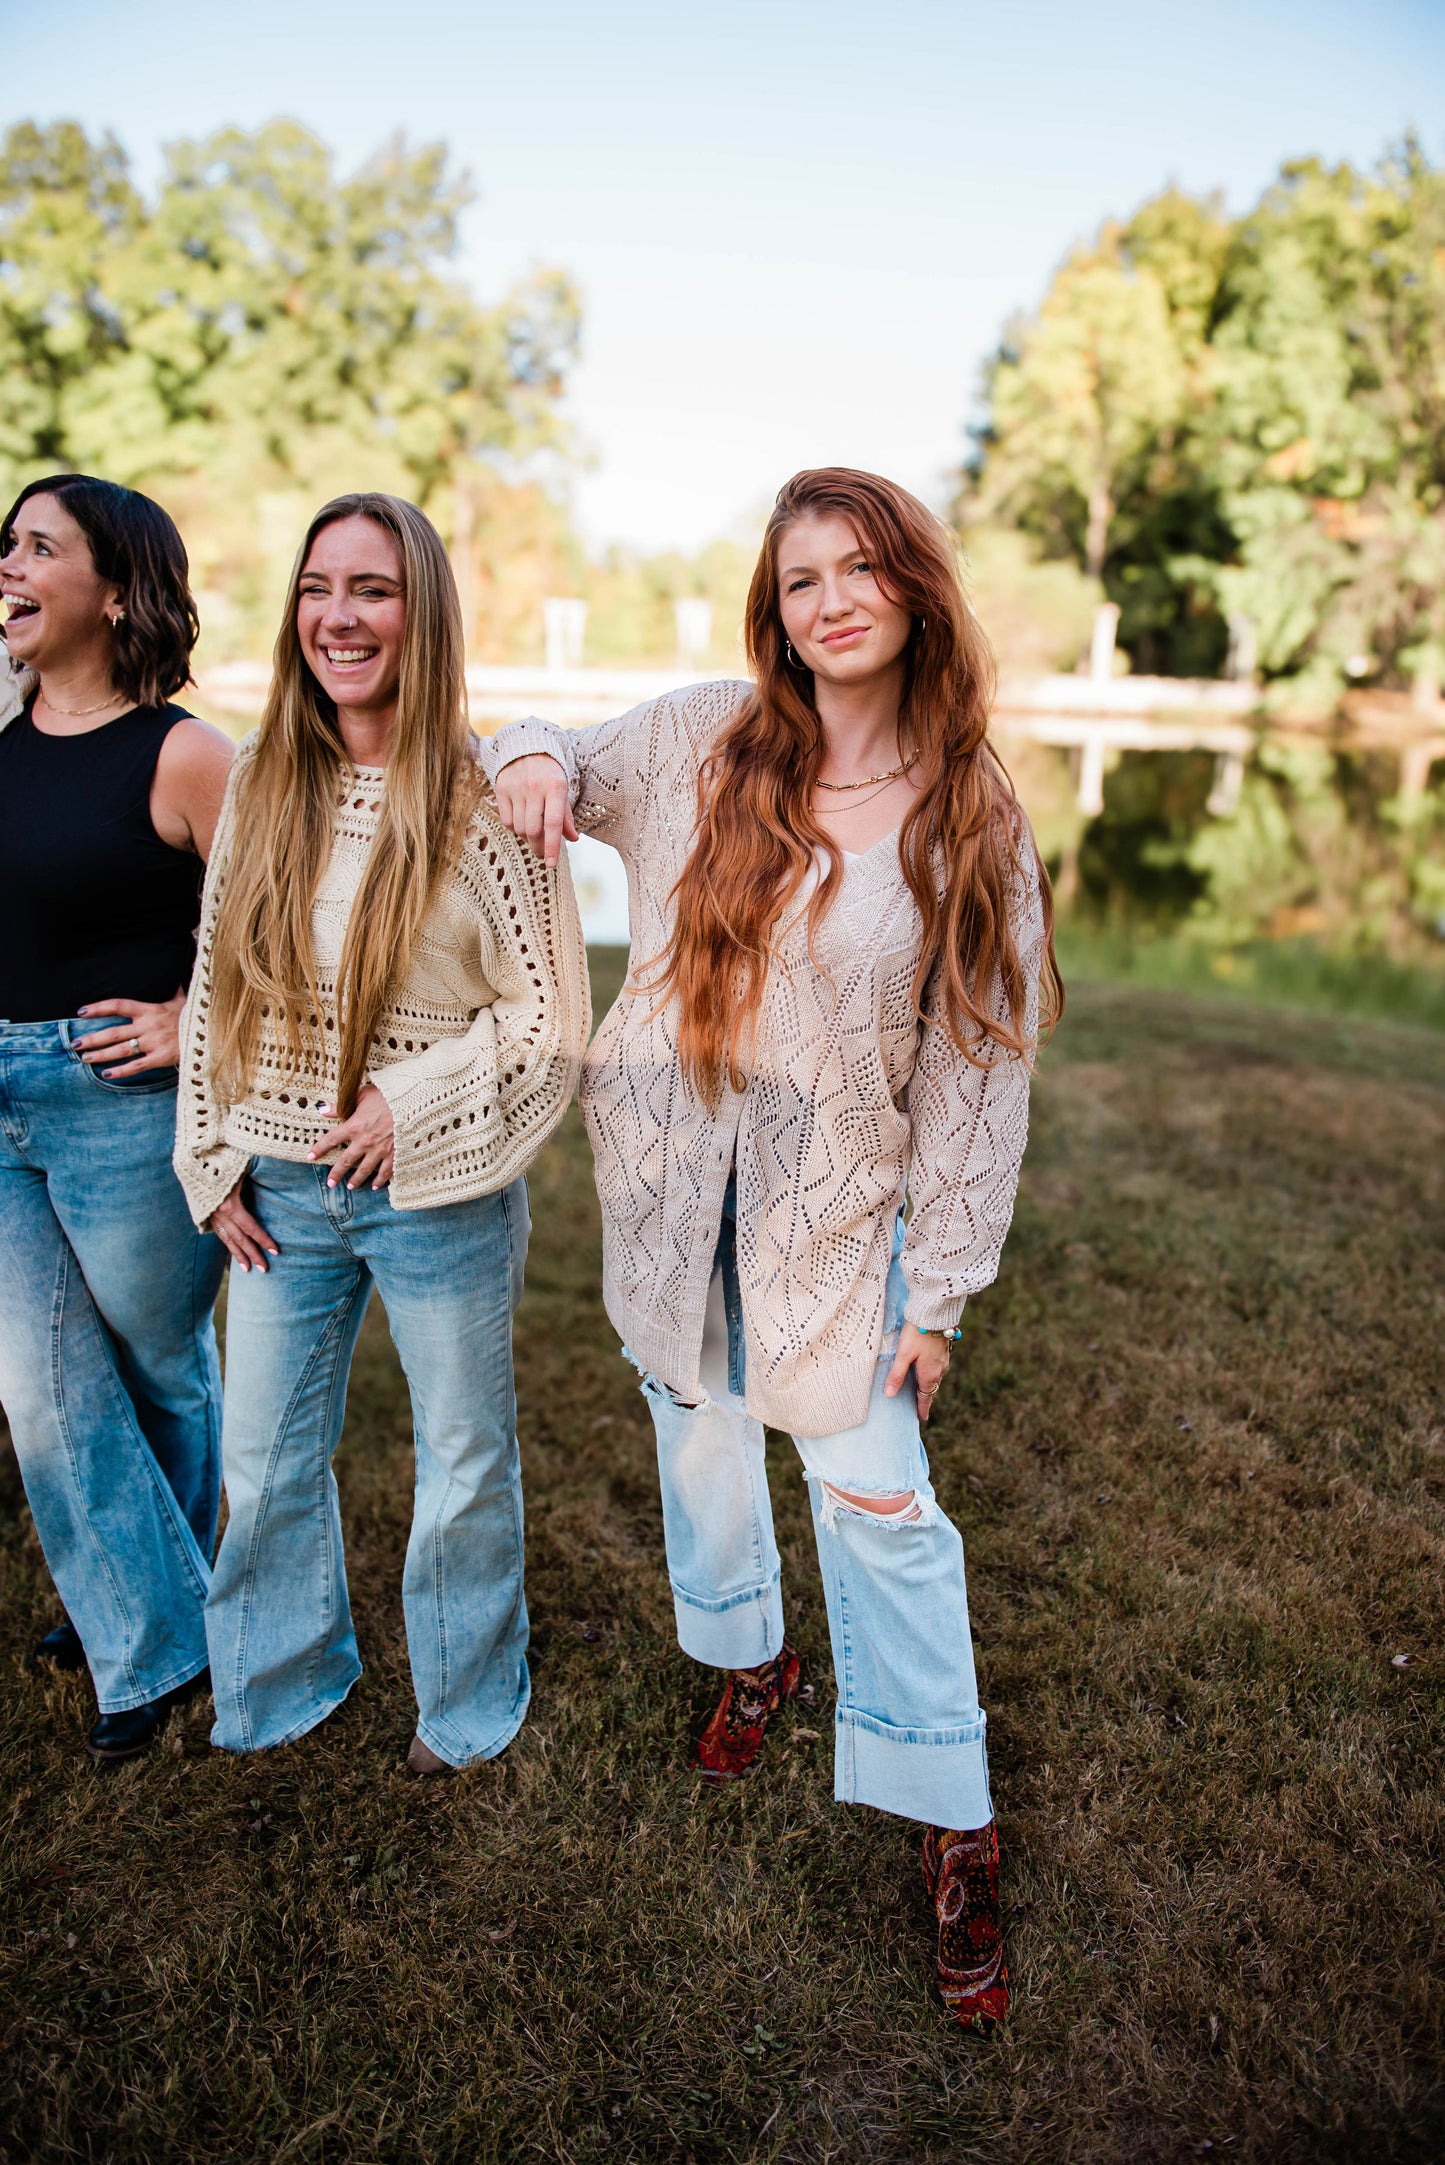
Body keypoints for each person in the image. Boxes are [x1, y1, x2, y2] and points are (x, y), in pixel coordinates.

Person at [486, 467, 1062, 2027]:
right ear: (777, 607)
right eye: (802, 576)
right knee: (693, 1434)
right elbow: (530, 747)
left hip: (841, 1217)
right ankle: (751, 1656)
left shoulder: (970, 814)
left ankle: (955, 1818)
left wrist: (935, 1293)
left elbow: (976, 1072)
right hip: (674, 1190)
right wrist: (536, 758)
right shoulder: (700, 740)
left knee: (882, 1502)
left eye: (861, 567)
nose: (832, 600)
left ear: (915, 590)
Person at [175, 492, 589, 1773]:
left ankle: (466, 1703)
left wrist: (407, 1105)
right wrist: (212, 1151)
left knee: (461, 1461)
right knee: (262, 1453)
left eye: (371, 588)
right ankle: (285, 1680)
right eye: (317, 588)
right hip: (281, 1192)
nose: (338, 617)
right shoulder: (261, 781)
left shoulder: (483, 804)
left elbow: (550, 1016)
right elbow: (216, 981)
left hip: (439, 1198)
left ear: (421, 611)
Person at [0, 475, 235, 1762]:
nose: (11, 565)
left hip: (120, 1105)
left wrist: (188, 1018)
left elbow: (276, 925)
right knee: (40, 1381)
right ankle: (149, 1635)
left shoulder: (186, 754)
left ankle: (153, 1578)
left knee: (154, 1362)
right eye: (6, 547)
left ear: (121, 589)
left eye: (42, 547)